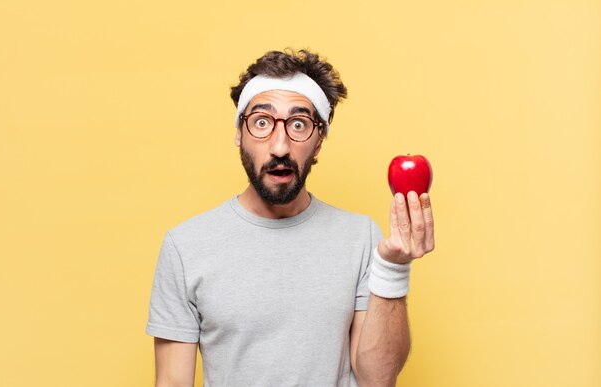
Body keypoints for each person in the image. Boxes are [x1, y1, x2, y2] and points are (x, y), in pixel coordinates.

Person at [145, 48, 435, 387]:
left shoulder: (361, 238)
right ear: (239, 132)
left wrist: (393, 269)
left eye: (299, 124)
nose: (280, 146)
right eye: (262, 123)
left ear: (319, 141)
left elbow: (378, 380)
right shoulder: (186, 247)